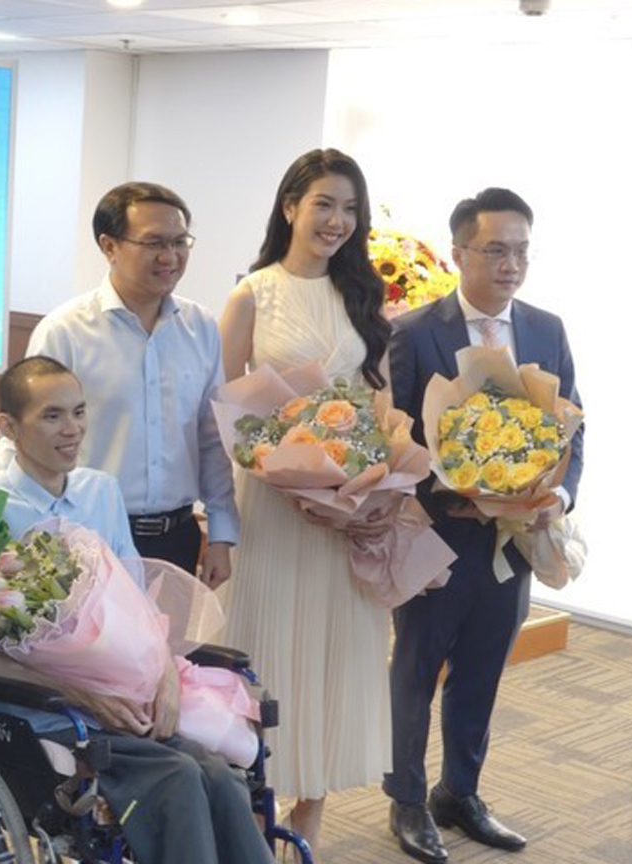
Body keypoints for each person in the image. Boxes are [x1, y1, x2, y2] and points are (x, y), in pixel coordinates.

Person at [0, 355, 274, 864]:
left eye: (79, 412)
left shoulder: (101, 490)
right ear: (7, 426)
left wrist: (166, 676)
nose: (72, 429)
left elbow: (140, 610)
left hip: (125, 700)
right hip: (43, 709)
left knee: (219, 774)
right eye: (52, 416)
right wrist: (82, 694)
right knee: (181, 775)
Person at [383, 188, 582, 864]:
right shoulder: (414, 331)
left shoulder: (546, 328)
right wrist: (447, 489)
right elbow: (397, 439)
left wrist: (558, 496)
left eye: (520, 250)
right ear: (460, 251)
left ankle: (458, 793)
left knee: (483, 670)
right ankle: (406, 798)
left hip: (512, 540)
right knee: (416, 668)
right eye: (495, 249)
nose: (510, 264)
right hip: (438, 536)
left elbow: (571, 432)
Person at [217, 147, 394, 852]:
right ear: (290, 205)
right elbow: (227, 410)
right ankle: (256, 798)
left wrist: (371, 477)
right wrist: (282, 468)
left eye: (350, 208)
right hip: (274, 507)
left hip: (343, 509)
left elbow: (382, 404)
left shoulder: (362, 294)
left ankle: (311, 808)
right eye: (324, 203)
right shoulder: (251, 294)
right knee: (270, 648)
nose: (337, 221)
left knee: (333, 651)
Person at [0, 182, 238, 585]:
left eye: (180, 242)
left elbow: (211, 438)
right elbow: (23, 430)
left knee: (164, 647)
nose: (170, 257)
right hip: (86, 535)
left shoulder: (200, 327)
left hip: (178, 537)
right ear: (109, 246)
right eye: (153, 242)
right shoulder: (65, 330)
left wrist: (221, 532)